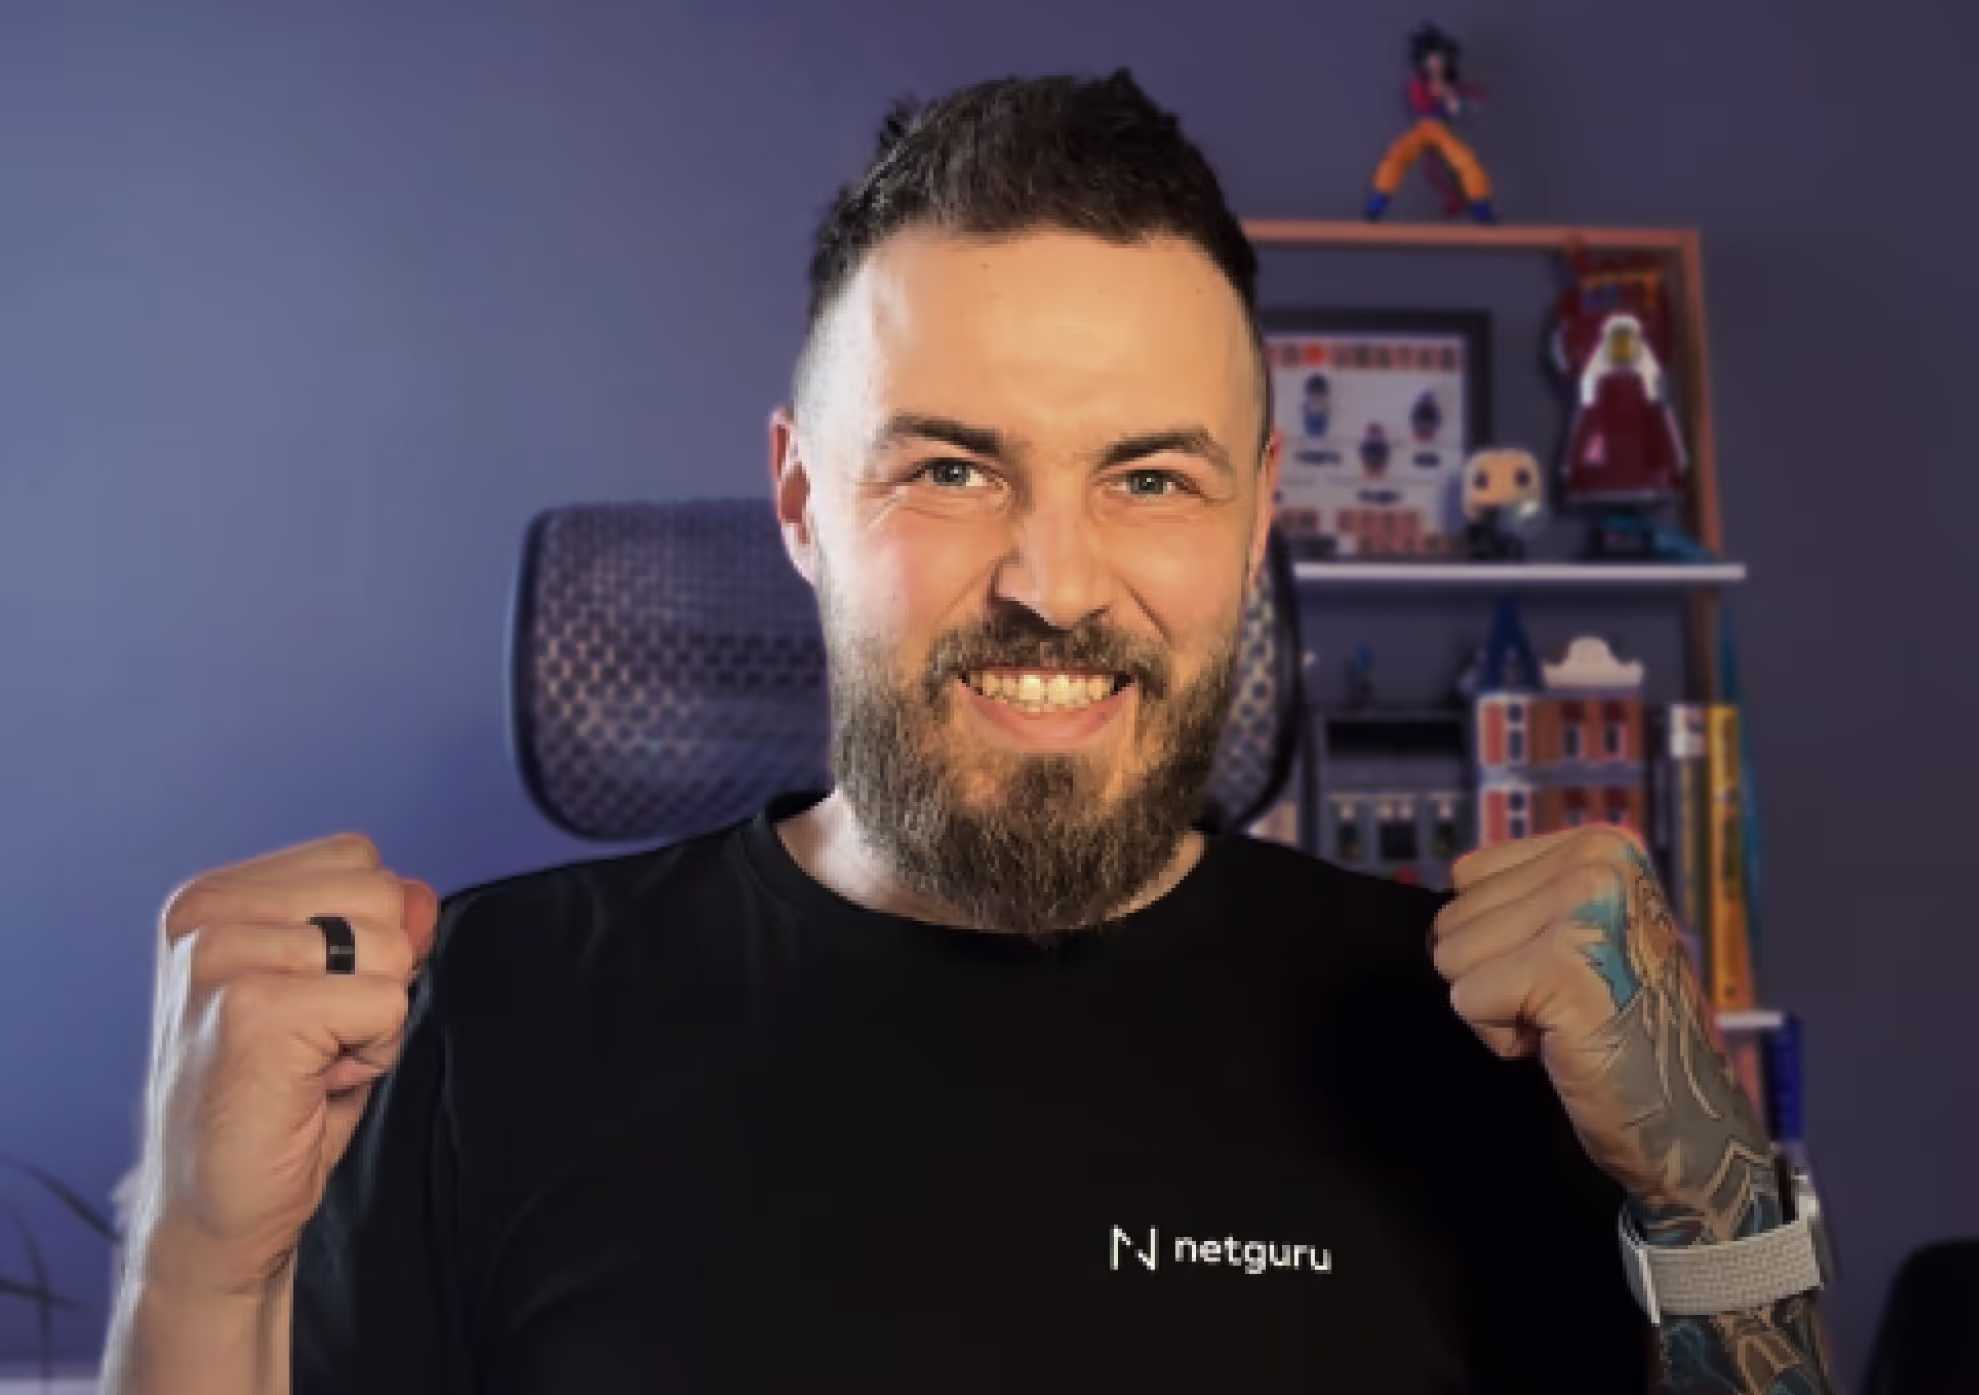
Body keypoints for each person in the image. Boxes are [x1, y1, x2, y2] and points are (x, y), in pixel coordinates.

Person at [102, 71, 1837, 1393]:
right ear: (799, 496)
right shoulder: (472, 1027)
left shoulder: (1480, 1034)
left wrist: (1713, 1198)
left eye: (1149, 477)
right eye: (949, 466)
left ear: (1254, 525)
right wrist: (194, 1262)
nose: (1054, 581)